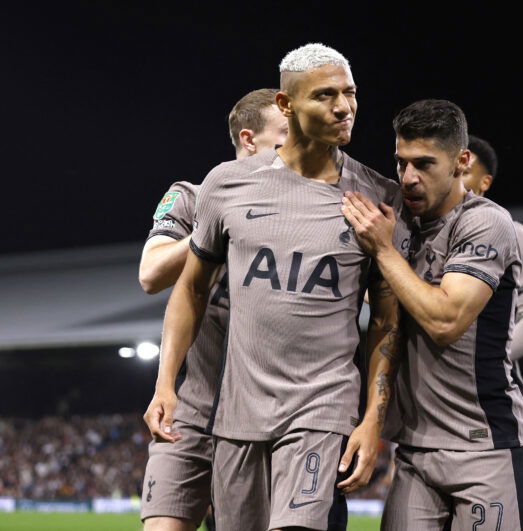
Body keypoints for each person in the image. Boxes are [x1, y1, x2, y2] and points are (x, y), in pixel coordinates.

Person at [143, 43, 402, 531]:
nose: (344, 107)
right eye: (325, 96)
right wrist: (165, 384)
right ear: (287, 105)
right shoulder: (225, 185)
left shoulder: (378, 196)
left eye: (350, 93)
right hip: (237, 415)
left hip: (322, 409)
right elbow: (190, 290)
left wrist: (372, 420)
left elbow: (387, 320)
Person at [341, 99, 523, 530]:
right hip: (414, 453)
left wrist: (383, 251)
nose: (408, 178)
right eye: (401, 163)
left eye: (424, 164)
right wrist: (372, 421)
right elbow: (385, 324)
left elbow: (445, 321)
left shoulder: (486, 223)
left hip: (486, 447)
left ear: (461, 162)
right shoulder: (400, 224)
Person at [139, 88, 288, 531]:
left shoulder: (298, 215)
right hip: (188, 413)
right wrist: (221, 219)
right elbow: (151, 274)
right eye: (284, 139)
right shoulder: (190, 197)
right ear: (248, 139)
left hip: (260, 424)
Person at [462, 135, 523, 521]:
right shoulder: (416, 234)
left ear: (485, 184)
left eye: (465, 171)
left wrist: (473, 358)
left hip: (491, 400)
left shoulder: (509, 231)